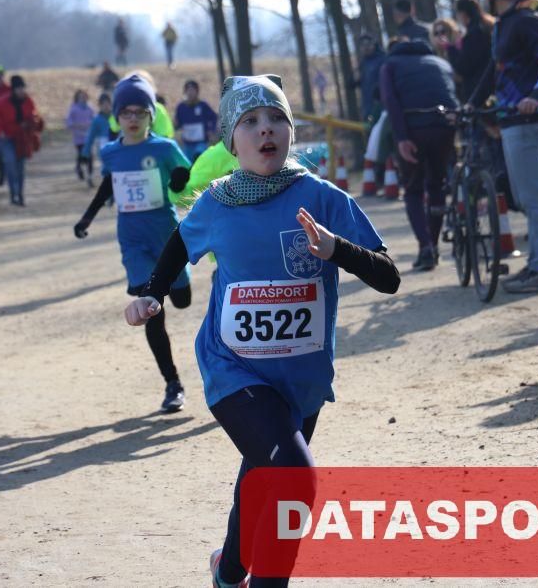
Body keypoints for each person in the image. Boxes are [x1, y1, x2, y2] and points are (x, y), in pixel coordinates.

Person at [123, 74, 399, 587]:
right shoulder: (218, 202)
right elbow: (180, 245)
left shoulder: (322, 197)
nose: (265, 129)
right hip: (234, 369)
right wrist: (152, 294)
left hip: (303, 378)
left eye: (276, 118)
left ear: (291, 131)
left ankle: (227, 572)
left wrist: (336, 249)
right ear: (232, 140)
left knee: (263, 476)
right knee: (294, 478)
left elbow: (389, 277)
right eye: (249, 121)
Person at [74, 75, 193, 413]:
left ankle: (179, 285)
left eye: (140, 112)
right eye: (125, 112)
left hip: (167, 237)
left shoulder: (165, 148)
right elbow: (108, 186)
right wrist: (87, 218)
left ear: (150, 116)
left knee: (182, 300)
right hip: (133, 241)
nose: (133, 118)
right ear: (116, 117)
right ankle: (172, 383)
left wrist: (178, 181)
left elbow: (186, 181)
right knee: (151, 310)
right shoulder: (111, 152)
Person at [480, 0, 538, 294]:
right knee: (526, 198)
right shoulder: (505, 23)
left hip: (528, 120)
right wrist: (473, 103)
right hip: (512, 120)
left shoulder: (525, 20)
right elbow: (497, 70)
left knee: (536, 198)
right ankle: (536, 265)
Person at [380, 39, 460, 270]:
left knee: (413, 189)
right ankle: (433, 244)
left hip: (414, 129)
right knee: (437, 184)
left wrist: (401, 137)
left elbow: (390, 100)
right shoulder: (440, 62)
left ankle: (425, 247)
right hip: (445, 125)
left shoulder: (390, 65)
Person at [0, 75, 44, 206]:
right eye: (19, 88)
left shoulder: (28, 101)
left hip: (22, 139)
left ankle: (20, 194)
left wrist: (33, 123)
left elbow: (34, 115)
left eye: (22, 88)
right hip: (6, 138)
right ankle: (13, 193)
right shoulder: (1, 102)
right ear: (13, 89)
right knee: (10, 163)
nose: (21, 91)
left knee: (20, 167)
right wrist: (0, 132)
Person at [448, 0, 496, 106]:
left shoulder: (474, 34)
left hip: (478, 91)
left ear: (463, 13)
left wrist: (451, 49)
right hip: (494, 86)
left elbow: (464, 66)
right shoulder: (488, 27)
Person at [173, 79, 218, 162]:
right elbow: (177, 124)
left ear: (197, 92)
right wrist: (175, 126)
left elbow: (214, 117)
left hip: (201, 143)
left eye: (192, 90)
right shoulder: (181, 107)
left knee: (199, 159)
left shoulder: (203, 105)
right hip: (187, 144)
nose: (190, 93)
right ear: (185, 92)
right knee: (186, 163)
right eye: (188, 90)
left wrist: (211, 130)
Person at [81, 93, 113, 181]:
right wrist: (86, 152)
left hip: (115, 144)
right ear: (99, 106)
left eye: (108, 104)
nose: (106, 106)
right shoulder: (96, 120)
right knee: (106, 167)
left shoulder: (116, 117)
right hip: (102, 146)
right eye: (103, 104)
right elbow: (90, 136)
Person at [66, 89, 95, 184]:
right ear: (77, 98)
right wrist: (76, 125)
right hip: (78, 137)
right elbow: (68, 122)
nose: (83, 98)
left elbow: (94, 120)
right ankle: (79, 168)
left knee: (90, 157)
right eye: (81, 97)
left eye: (85, 96)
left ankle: (90, 177)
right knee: (81, 155)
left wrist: (91, 125)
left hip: (89, 137)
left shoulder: (90, 108)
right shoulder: (73, 109)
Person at [355, 33, 386, 121]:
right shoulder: (363, 63)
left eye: (368, 44)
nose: (366, 47)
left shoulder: (383, 59)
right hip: (367, 107)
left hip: (381, 107)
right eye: (363, 45)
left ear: (373, 45)